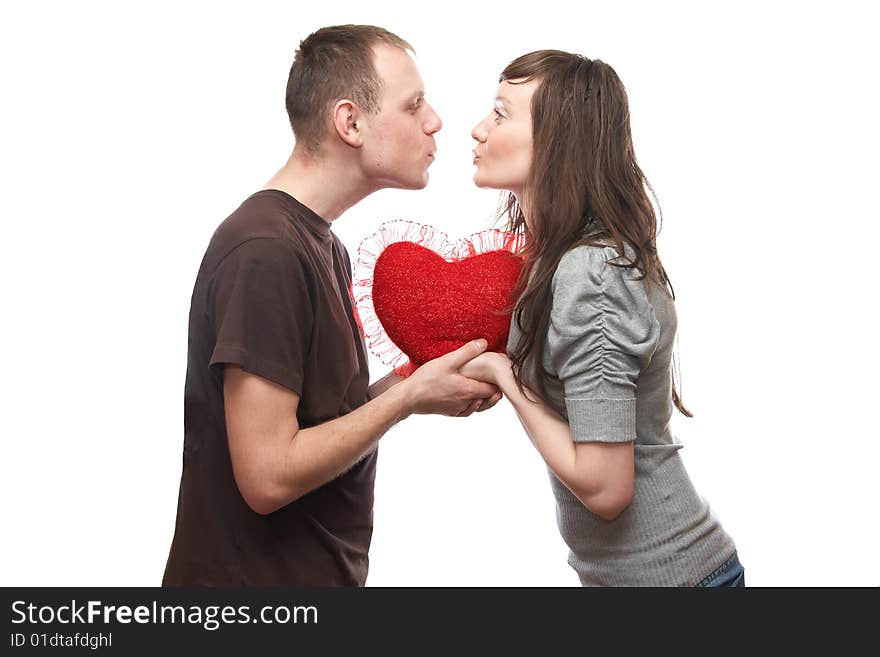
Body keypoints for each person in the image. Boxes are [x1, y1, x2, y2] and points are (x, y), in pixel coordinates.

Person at [162, 25, 502, 586]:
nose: (435, 120)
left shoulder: (319, 244)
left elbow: (316, 424)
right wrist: (409, 400)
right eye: (413, 104)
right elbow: (268, 476)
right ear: (350, 123)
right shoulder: (265, 251)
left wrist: (407, 382)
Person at [461, 50, 743, 586]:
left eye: (500, 114)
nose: (478, 130)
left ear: (557, 140)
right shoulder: (559, 257)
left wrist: (503, 374)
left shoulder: (591, 272)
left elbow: (606, 489)